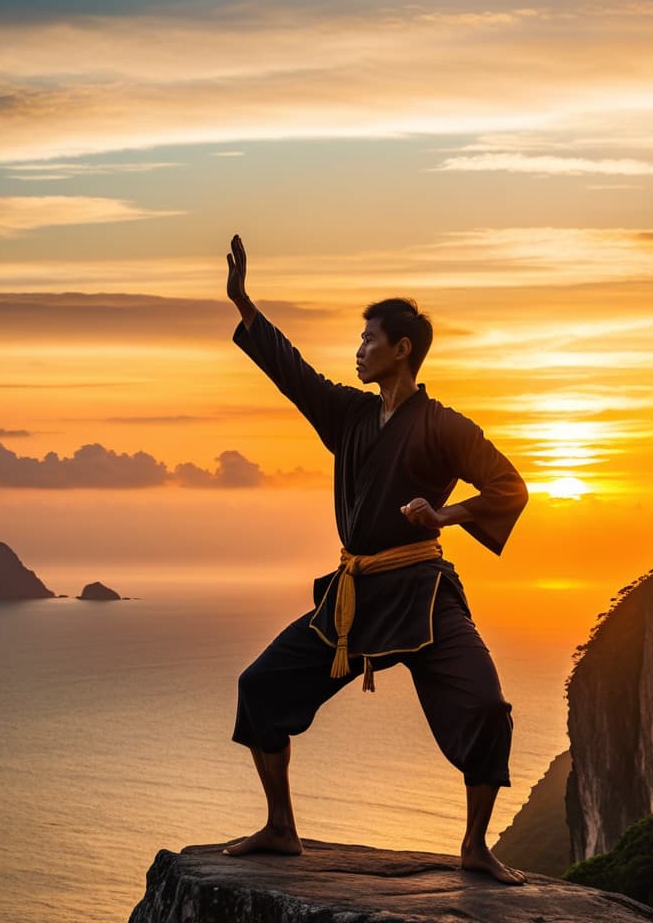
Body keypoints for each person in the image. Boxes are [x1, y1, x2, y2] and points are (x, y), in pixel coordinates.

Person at [223, 234, 529, 884]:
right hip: (354, 600)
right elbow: (293, 371)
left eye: (368, 340)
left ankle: (474, 845)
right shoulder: (350, 416)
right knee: (260, 687)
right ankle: (281, 828)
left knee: (486, 708)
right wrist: (246, 306)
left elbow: (510, 487)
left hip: (421, 592)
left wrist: (444, 514)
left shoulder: (445, 426)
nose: (358, 350)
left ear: (402, 349)